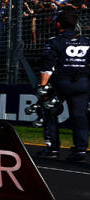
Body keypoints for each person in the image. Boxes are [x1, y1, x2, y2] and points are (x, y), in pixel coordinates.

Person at [36, 10, 89, 162]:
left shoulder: (54, 42)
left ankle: (53, 148)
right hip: (82, 83)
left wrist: (43, 89)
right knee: (80, 117)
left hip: (61, 84)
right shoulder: (86, 41)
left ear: (58, 24)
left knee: (50, 113)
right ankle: (80, 151)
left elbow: (47, 67)